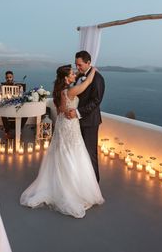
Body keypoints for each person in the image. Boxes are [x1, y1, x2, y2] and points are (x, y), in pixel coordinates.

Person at [20, 65, 104, 218]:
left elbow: (62, 108)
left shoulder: (59, 91)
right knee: (73, 153)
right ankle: (71, 188)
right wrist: (93, 70)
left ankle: (60, 183)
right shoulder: (71, 91)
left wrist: (79, 74)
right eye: (72, 73)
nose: (74, 73)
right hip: (70, 124)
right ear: (66, 78)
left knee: (62, 153)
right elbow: (86, 83)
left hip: (61, 123)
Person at [66, 50, 105, 182]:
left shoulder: (98, 78)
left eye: (80, 65)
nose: (77, 68)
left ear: (88, 63)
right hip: (76, 122)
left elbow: (96, 101)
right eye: (76, 65)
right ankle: (82, 181)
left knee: (90, 153)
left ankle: (94, 184)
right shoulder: (78, 76)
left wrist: (78, 113)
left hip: (89, 122)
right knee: (80, 153)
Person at [0, 70, 27, 140]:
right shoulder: (2, 85)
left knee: (26, 114)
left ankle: (19, 130)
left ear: (13, 77)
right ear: (5, 78)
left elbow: (22, 94)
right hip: (7, 105)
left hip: (16, 104)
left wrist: (20, 89)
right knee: (3, 114)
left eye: (10, 77)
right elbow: (0, 94)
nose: (9, 79)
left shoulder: (17, 85)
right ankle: (7, 131)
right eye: (7, 77)